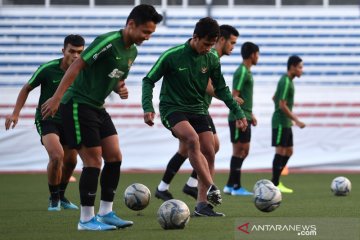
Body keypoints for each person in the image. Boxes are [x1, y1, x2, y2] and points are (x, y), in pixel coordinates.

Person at [41, 4, 163, 231]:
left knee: (115, 157)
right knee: (93, 161)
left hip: (97, 107)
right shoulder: (107, 41)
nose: (148, 37)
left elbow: (114, 77)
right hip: (77, 103)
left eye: (151, 33)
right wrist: (57, 98)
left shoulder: (132, 52)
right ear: (131, 25)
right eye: (145, 32)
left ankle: (106, 213)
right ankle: (86, 219)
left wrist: (120, 88)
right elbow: (77, 65)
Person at [142, 17, 247, 217]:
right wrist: (147, 107)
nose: (208, 48)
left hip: (197, 109)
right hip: (172, 108)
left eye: (211, 44)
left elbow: (222, 89)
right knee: (192, 139)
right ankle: (211, 187)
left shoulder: (212, 59)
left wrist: (238, 111)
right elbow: (148, 80)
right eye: (206, 44)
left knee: (210, 150)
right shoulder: (172, 55)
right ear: (195, 37)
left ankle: (202, 205)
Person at [5, 35, 85, 211]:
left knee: (71, 161)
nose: (76, 56)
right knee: (57, 156)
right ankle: (54, 199)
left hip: (70, 120)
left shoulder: (83, 70)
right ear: (63, 51)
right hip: (47, 119)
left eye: (80, 52)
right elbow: (27, 88)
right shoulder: (48, 69)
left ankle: (62, 196)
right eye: (72, 51)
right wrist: (15, 113)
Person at [224, 42, 260, 196]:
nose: (258, 57)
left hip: (244, 115)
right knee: (240, 151)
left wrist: (250, 114)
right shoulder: (242, 72)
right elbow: (234, 95)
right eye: (257, 54)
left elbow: (242, 97)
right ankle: (236, 187)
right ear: (252, 54)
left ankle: (230, 185)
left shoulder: (247, 71)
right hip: (238, 117)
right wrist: (239, 117)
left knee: (242, 151)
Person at [271, 55, 306, 193]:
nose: (301, 70)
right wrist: (296, 120)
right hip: (280, 122)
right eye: (300, 67)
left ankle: (276, 180)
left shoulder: (288, 81)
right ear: (292, 67)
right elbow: (281, 104)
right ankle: (275, 183)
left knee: (289, 151)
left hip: (285, 122)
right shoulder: (285, 81)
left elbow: (274, 97)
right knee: (280, 151)